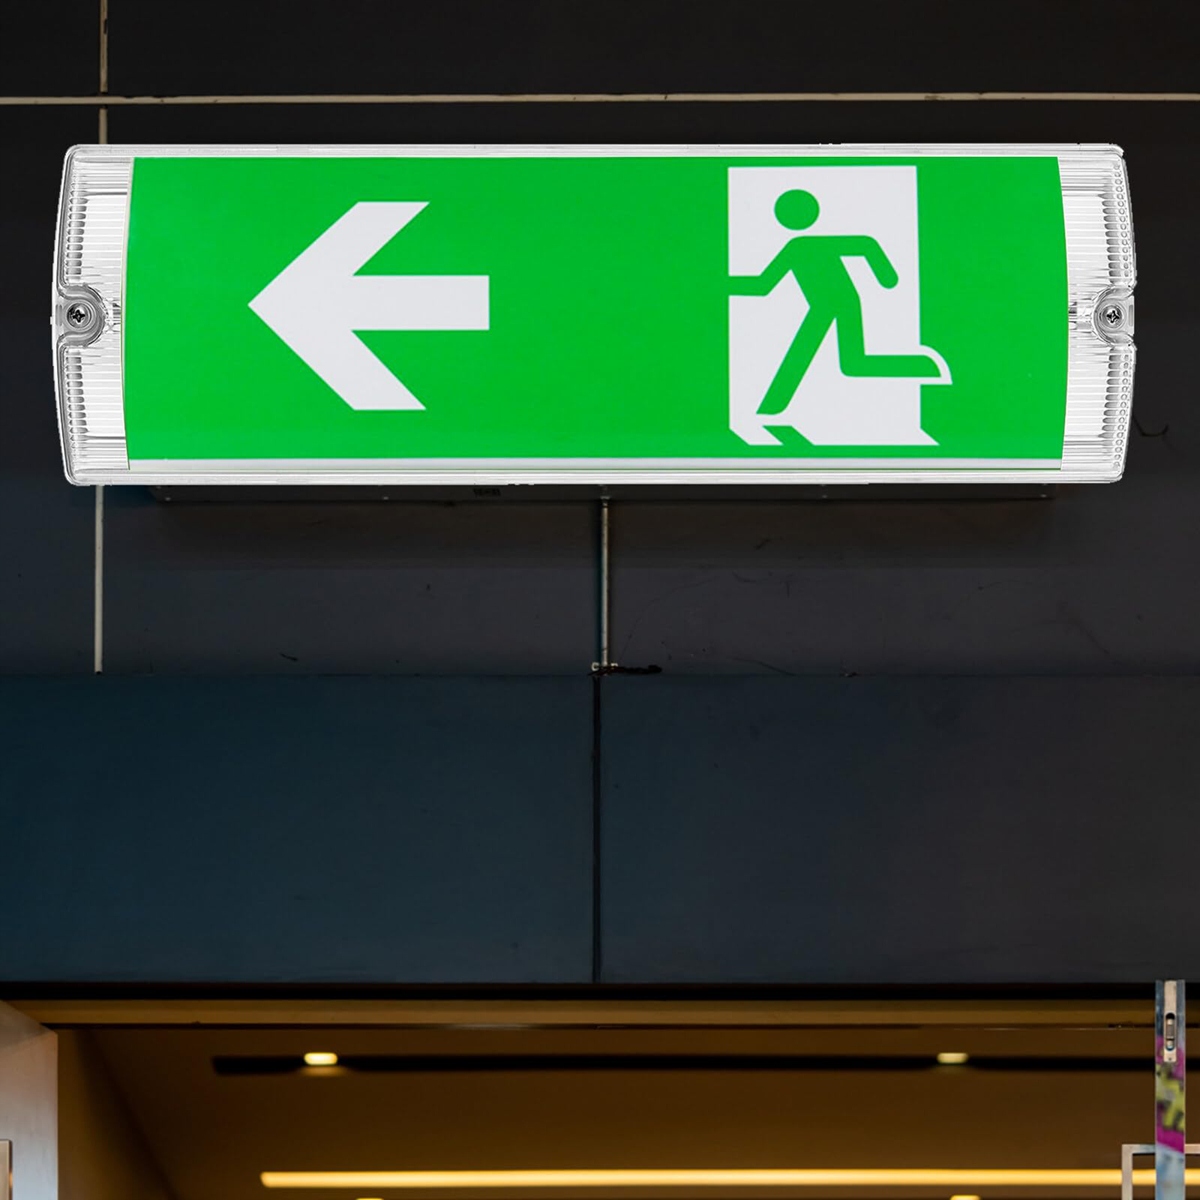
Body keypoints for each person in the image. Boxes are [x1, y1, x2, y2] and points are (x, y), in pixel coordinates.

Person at [730, 189, 940, 416]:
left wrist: (887, 277)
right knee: (853, 363)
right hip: (830, 303)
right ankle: (921, 366)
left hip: (838, 302)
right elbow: (764, 285)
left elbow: (865, 245)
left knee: (822, 353)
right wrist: (724, 284)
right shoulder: (796, 247)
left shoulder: (800, 246)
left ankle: (771, 406)